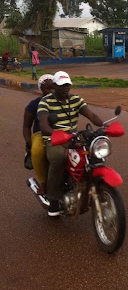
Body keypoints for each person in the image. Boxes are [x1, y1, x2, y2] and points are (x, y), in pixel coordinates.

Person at [37, 70, 105, 216]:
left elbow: (91, 115)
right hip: (54, 139)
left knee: (93, 155)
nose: (65, 88)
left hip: (73, 137)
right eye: (62, 85)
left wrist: (104, 125)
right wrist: (56, 133)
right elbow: (43, 125)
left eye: (67, 85)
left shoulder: (76, 99)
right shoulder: (45, 102)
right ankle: (54, 200)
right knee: (59, 158)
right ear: (54, 85)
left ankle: (95, 189)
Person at [22, 74, 54, 195]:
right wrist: (28, 142)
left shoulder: (62, 101)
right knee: (37, 151)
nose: (50, 91)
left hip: (62, 133)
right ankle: (44, 183)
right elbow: (26, 126)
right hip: (40, 134)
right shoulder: (34, 105)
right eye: (46, 88)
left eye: (52, 88)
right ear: (41, 89)